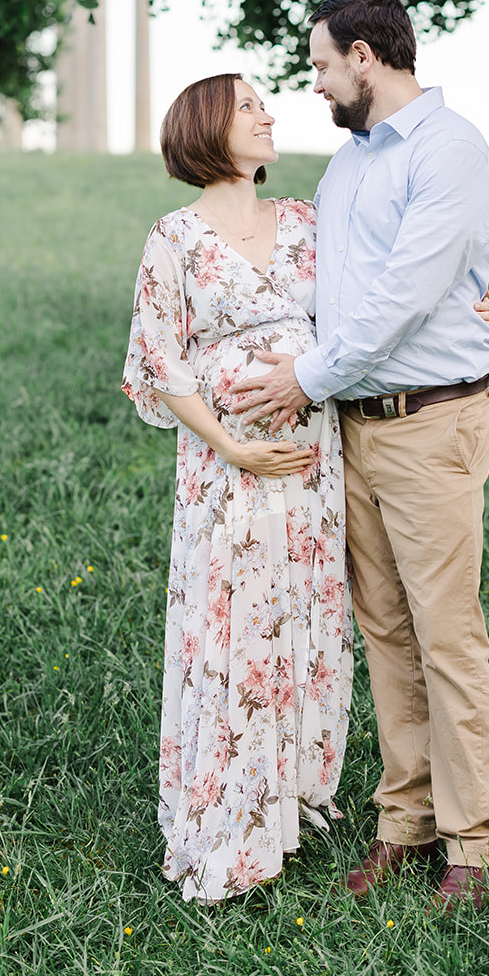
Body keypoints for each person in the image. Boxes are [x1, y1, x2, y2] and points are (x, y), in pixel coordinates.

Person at [232, 0, 489, 912]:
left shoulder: (449, 149)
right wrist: (282, 351)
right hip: (353, 426)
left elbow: (402, 298)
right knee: (385, 632)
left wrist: (304, 376)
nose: (311, 85)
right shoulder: (347, 167)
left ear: (363, 55)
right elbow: (336, 292)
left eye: (317, 65)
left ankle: (470, 842)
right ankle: (405, 820)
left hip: (430, 421)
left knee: (445, 633)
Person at [121, 73, 353, 903]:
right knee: (234, 618)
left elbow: (368, 310)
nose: (267, 114)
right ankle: (228, 805)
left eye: (265, 103)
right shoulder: (175, 237)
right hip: (227, 474)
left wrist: (467, 309)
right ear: (209, 128)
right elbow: (161, 363)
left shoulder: (305, 223)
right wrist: (231, 447)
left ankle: (291, 793)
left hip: (311, 468)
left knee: (304, 611)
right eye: (249, 105)